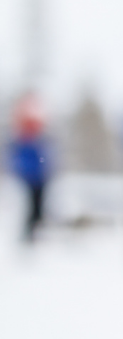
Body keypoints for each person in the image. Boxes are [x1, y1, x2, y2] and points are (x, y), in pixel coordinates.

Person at [9, 92, 49, 243]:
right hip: (29, 179)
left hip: (39, 179)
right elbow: (19, 161)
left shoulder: (39, 141)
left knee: (38, 208)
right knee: (30, 208)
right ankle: (27, 236)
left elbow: (44, 160)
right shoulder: (23, 141)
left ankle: (34, 233)